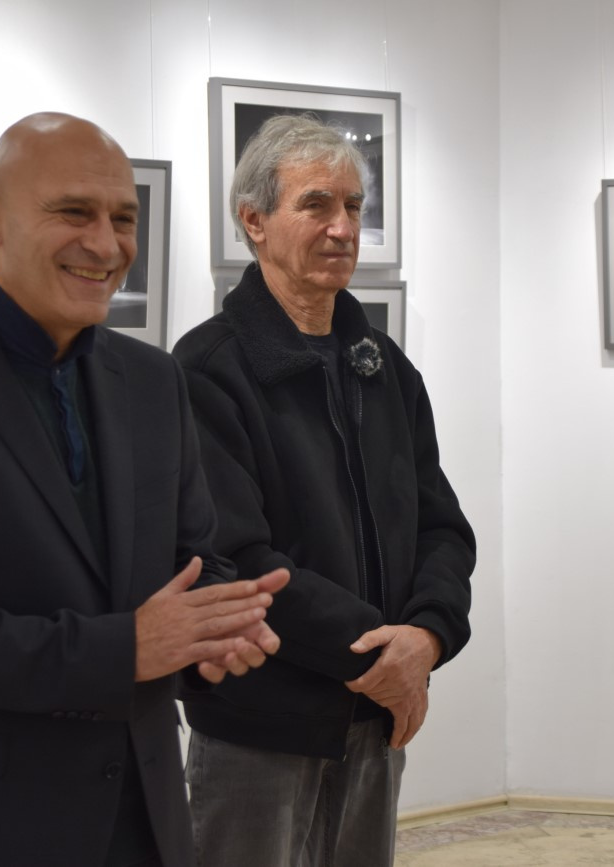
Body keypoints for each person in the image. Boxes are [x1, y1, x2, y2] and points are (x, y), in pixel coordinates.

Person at [0, 112, 289, 867]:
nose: (105, 245)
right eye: (74, 212)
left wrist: (215, 631)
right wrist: (126, 648)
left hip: (141, 820)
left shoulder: (154, 380)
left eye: (123, 219)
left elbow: (198, 561)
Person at [173, 114, 476, 867]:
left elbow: (441, 526)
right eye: (316, 204)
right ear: (254, 221)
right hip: (262, 724)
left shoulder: (385, 366)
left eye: (353, 206)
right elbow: (238, 561)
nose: (342, 227)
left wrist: (427, 637)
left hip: (375, 714)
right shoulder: (208, 370)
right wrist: (381, 655)